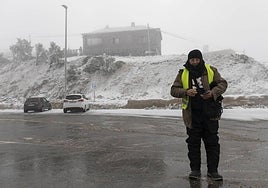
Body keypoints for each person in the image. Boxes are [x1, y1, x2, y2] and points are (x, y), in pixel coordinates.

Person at [170, 49, 227, 181]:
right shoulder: (183, 73)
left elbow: (223, 83)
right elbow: (173, 90)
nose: (195, 62)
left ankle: (213, 171)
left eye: (197, 59)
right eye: (192, 59)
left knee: (212, 143)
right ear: (188, 60)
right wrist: (186, 91)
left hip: (210, 114)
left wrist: (213, 93)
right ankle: (195, 170)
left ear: (201, 59)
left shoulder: (211, 69)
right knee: (193, 144)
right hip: (192, 115)